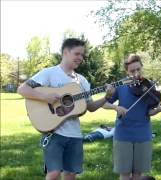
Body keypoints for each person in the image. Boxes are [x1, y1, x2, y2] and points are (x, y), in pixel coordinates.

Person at [17, 38, 114, 180]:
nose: (80, 58)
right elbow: (22, 89)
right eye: (77, 54)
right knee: (54, 173)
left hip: (75, 134)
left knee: (70, 174)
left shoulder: (82, 81)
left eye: (82, 55)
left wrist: (106, 97)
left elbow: (90, 107)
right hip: (54, 132)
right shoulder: (49, 73)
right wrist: (45, 98)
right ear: (65, 52)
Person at [103, 54, 161, 180]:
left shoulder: (149, 85)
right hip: (123, 134)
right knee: (125, 174)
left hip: (143, 134)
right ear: (126, 72)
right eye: (132, 71)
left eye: (138, 69)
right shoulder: (120, 85)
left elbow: (148, 112)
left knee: (138, 174)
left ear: (142, 67)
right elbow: (104, 103)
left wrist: (158, 110)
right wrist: (116, 107)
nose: (136, 73)